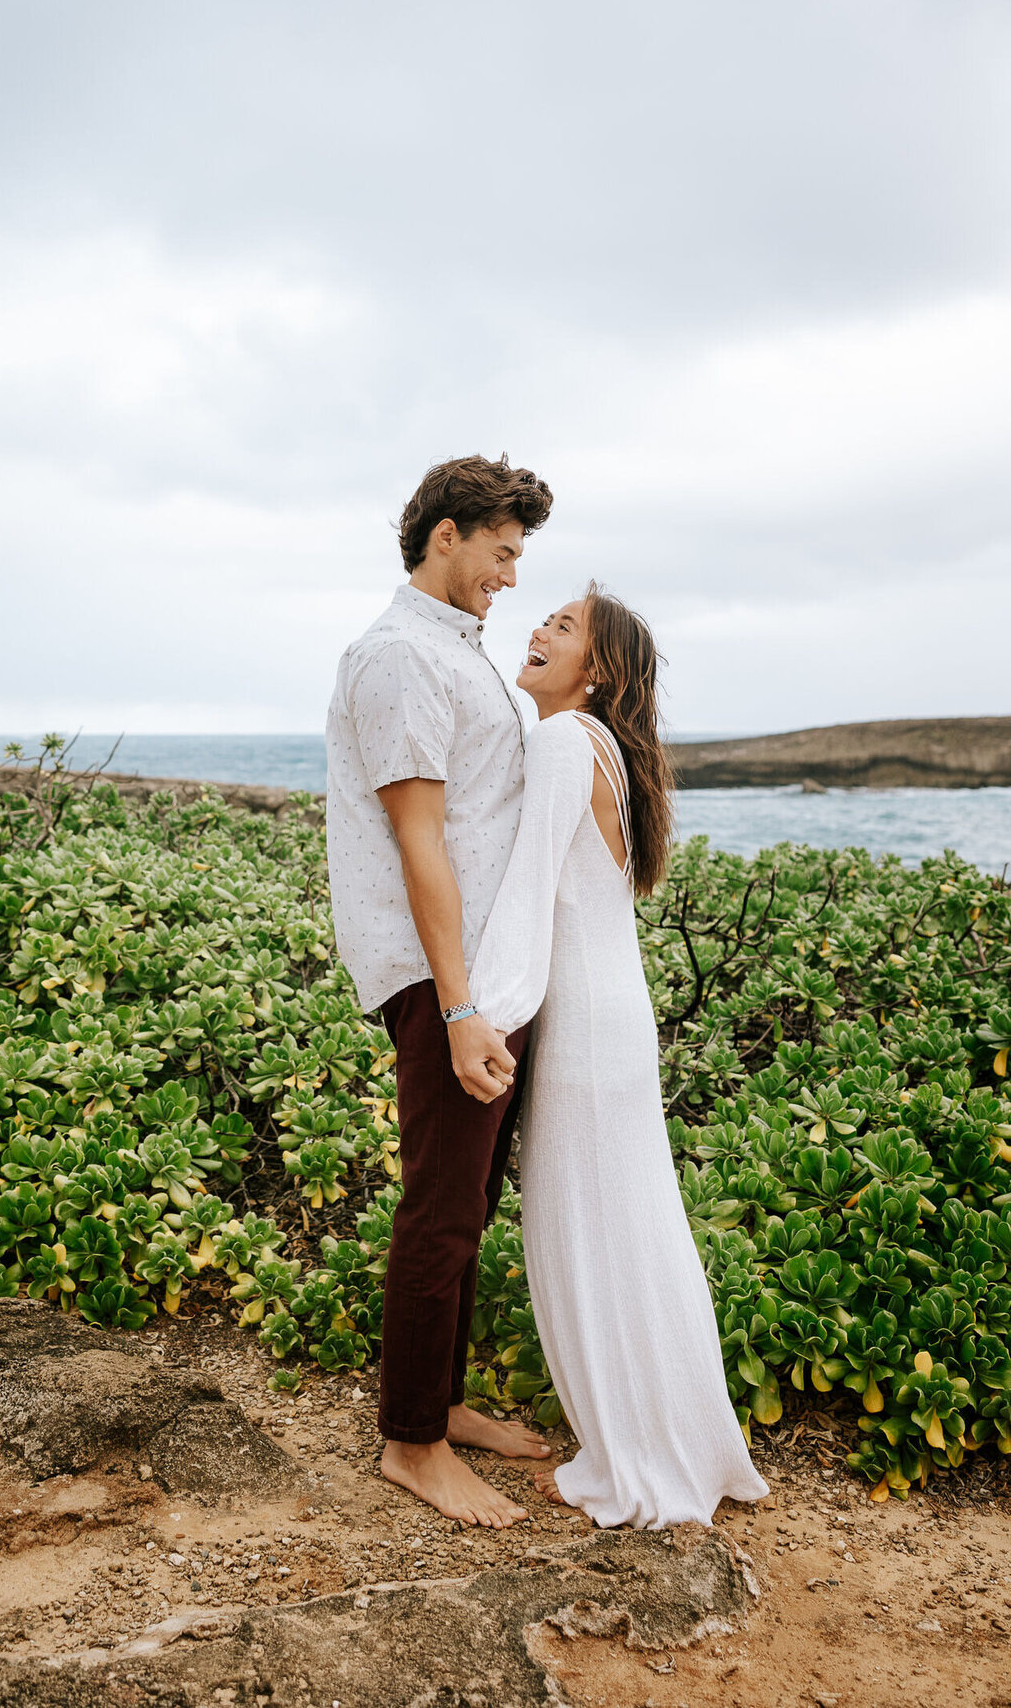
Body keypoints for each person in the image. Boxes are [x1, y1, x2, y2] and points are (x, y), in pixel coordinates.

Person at [467, 585, 769, 1528]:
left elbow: (524, 894)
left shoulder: (564, 740)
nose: (538, 630)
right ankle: (675, 1437)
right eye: (545, 618)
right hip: (612, 1019)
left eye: (562, 627)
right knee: (633, 1232)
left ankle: (642, 1453)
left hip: (586, 1030)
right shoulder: (603, 746)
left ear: (597, 672)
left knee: (588, 1235)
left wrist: (477, 1013)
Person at [325, 453, 554, 1528]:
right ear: (449, 532)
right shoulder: (397, 656)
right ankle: (410, 1441)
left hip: (476, 969)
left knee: (466, 1198)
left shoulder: (453, 652)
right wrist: (460, 1006)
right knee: (440, 1204)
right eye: (503, 552)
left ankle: (441, 1401)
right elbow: (418, 838)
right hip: (438, 971)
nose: (510, 576)